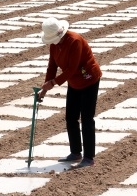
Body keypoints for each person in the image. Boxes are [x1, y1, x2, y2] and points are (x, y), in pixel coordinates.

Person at [38, 17, 102, 168]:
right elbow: (52, 67)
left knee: (87, 119)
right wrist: (44, 89)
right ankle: (75, 153)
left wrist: (53, 83)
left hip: (89, 79)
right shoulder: (54, 46)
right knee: (71, 117)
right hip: (74, 81)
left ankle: (88, 157)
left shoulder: (75, 41)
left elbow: (71, 69)